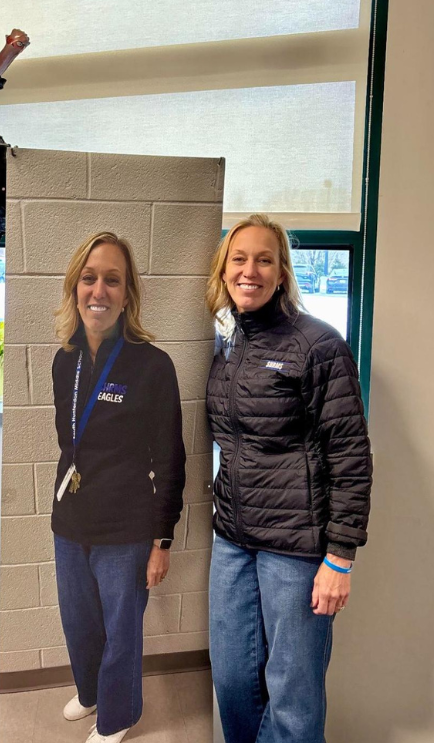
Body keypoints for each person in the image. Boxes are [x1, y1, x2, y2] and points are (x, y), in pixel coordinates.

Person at [205, 214, 372, 743]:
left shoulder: (318, 344)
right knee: (232, 682)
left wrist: (339, 558)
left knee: (294, 697)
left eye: (264, 260)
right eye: (239, 258)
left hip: (298, 551)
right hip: (233, 540)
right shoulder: (225, 345)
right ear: (224, 269)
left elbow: (351, 455)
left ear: (282, 273)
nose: (249, 270)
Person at [50, 231, 186, 743]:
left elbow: (171, 457)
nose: (99, 291)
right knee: (79, 623)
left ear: (127, 294)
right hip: (71, 519)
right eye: (89, 279)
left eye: (112, 280)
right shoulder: (65, 360)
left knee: (121, 634)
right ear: (75, 287)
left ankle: (118, 716)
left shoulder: (152, 365)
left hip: (126, 528)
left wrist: (161, 540)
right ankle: (90, 693)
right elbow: (70, 442)